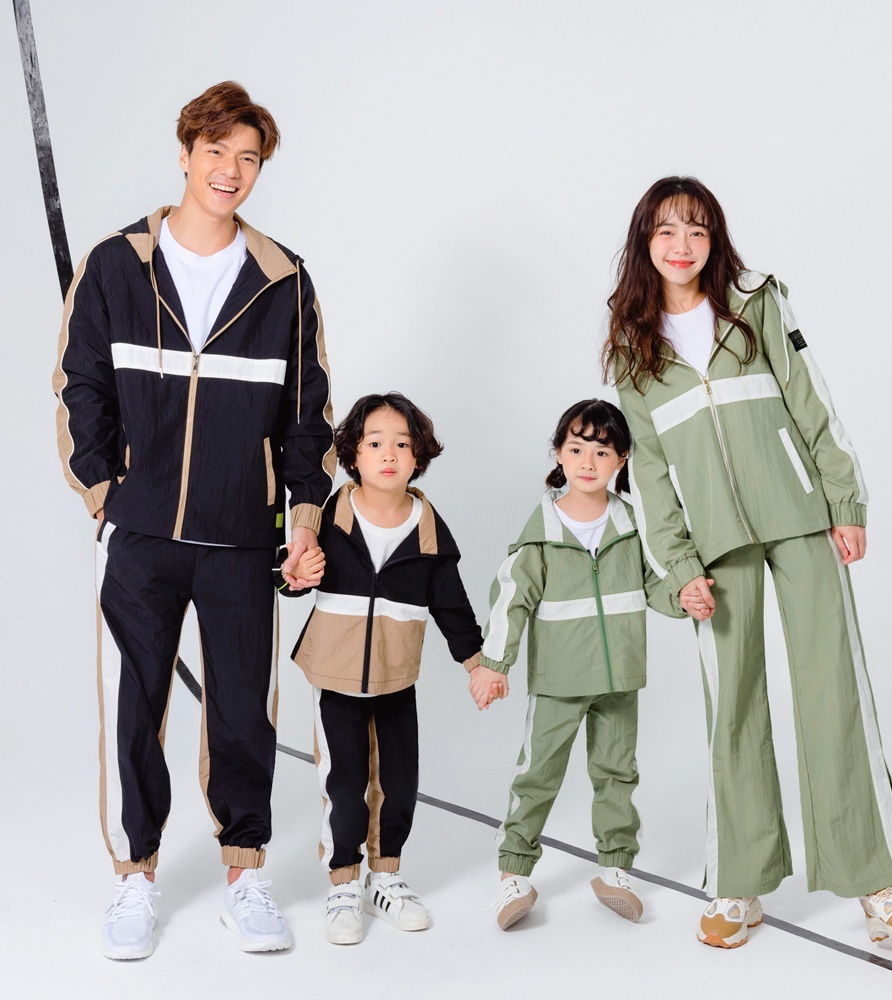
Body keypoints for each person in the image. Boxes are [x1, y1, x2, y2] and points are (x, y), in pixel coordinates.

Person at [604, 175, 892, 949]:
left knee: (834, 691)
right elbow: (649, 472)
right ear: (644, 242)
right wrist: (676, 564)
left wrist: (844, 501)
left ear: (714, 238)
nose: (682, 245)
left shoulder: (755, 302)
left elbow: (811, 401)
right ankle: (738, 883)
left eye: (697, 229)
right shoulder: (632, 349)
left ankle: (879, 886)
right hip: (711, 545)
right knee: (733, 705)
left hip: (800, 516)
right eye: (666, 231)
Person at [52, 81, 335, 959]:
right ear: (184, 154)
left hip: (241, 538)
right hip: (138, 536)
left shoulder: (283, 280)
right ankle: (134, 878)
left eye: (248, 158)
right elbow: (79, 387)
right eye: (216, 152)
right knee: (133, 707)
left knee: (243, 712)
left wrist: (303, 521)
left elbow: (308, 421)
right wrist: (104, 493)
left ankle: (245, 876)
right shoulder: (115, 265)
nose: (230, 171)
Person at [280, 392, 487, 945]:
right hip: (335, 674)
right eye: (374, 443)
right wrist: (293, 576)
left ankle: (385, 877)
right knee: (345, 783)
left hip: (397, 676)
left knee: (398, 782)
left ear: (419, 455)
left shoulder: (430, 530)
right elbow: (289, 574)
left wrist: (476, 663)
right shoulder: (328, 516)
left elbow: (452, 605)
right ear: (353, 453)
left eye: (402, 444)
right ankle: (344, 881)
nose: (389, 454)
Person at [469, 399, 683, 930]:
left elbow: (657, 584)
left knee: (617, 774)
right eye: (577, 448)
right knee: (538, 774)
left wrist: (687, 597)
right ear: (559, 454)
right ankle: (514, 873)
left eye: (602, 451)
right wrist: (494, 664)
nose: (588, 461)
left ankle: (616, 868)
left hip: (620, 677)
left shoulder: (633, 524)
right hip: (558, 679)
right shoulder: (541, 531)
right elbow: (510, 598)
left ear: (622, 460)